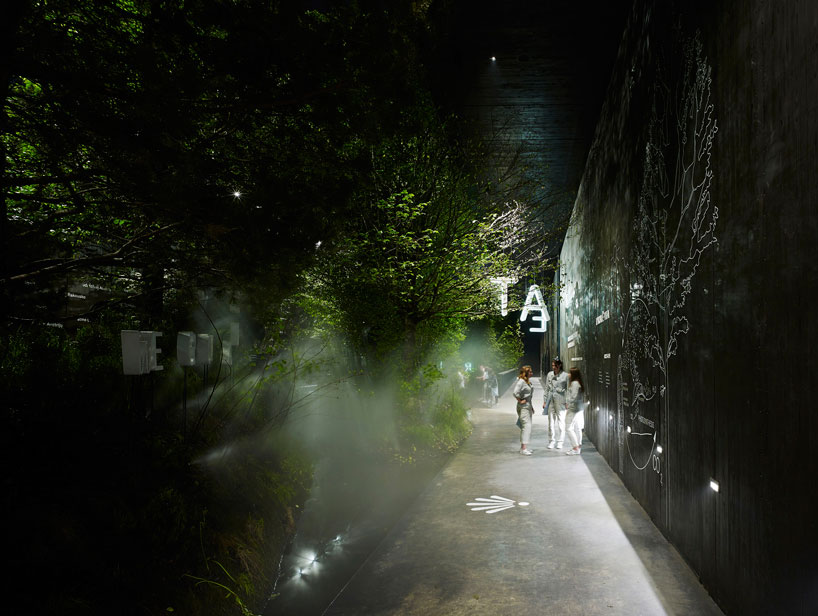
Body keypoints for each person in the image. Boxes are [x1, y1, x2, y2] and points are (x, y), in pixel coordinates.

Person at [542, 358, 569, 449]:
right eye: (552, 365)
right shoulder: (550, 374)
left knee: (561, 422)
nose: (553, 367)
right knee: (551, 422)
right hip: (551, 401)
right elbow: (547, 388)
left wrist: (567, 402)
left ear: (559, 365)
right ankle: (551, 441)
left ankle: (560, 442)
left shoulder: (565, 375)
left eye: (555, 365)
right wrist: (545, 401)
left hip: (561, 401)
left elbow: (568, 390)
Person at [513, 365, 535, 455]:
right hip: (523, 407)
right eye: (530, 372)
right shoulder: (521, 381)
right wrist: (520, 400)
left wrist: (531, 407)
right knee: (526, 426)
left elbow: (529, 396)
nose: (531, 373)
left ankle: (523, 447)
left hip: (527, 406)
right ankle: (523, 448)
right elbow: (515, 392)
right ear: (526, 373)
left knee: (525, 426)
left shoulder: (527, 382)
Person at [564, 366, 586, 455]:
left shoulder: (574, 384)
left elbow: (573, 396)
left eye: (570, 373)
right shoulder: (578, 383)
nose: (568, 374)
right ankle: (578, 447)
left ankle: (575, 447)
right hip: (579, 408)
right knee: (577, 427)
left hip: (573, 409)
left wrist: (567, 403)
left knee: (568, 428)